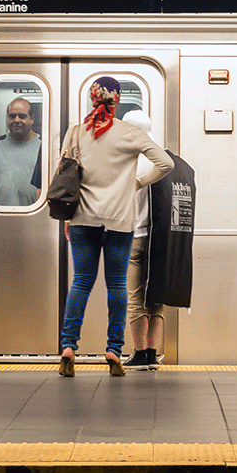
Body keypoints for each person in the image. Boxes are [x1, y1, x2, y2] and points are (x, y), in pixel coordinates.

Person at [58, 77, 173, 378]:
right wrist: (136, 182)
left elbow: (65, 176)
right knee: (118, 285)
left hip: (83, 218)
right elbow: (165, 164)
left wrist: (69, 218)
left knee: (81, 281)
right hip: (120, 221)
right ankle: (113, 349)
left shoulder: (75, 132)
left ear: (93, 99)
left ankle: (69, 346)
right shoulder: (130, 134)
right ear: (117, 101)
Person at [121, 110, 166, 371]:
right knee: (156, 297)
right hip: (160, 238)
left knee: (135, 297)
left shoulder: (129, 161)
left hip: (135, 236)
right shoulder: (159, 156)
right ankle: (151, 353)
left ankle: (139, 353)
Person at [0, 97, 42, 206]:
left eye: (22, 116)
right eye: (12, 116)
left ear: (32, 119)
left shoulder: (43, 147)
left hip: (34, 215)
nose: (16, 120)